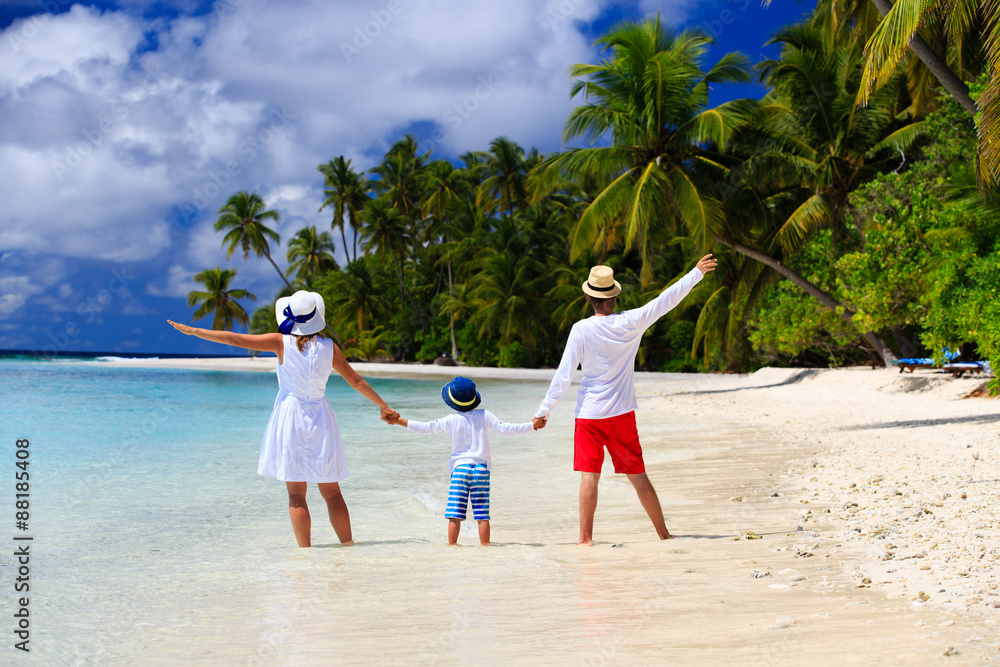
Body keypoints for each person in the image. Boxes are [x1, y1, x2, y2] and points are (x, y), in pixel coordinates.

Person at [167, 290, 398, 548]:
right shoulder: (329, 347)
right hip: (321, 417)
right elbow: (355, 380)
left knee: (297, 495)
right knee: (332, 492)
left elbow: (235, 339)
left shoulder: (280, 342)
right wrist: (383, 406)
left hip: (291, 417)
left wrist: (195, 331)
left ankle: (306, 553)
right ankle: (348, 546)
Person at [534, 255, 717, 544]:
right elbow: (666, 299)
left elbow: (564, 375)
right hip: (621, 415)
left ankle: (585, 540)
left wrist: (544, 411)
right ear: (615, 296)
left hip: (589, 417)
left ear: (587, 298)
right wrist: (696, 273)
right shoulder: (632, 321)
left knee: (589, 478)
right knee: (638, 476)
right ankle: (663, 533)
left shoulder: (580, 329)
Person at [387, 377, 545, 546]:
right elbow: (505, 428)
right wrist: (532, 425)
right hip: (481, 471)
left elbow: (426, 428)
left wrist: (398, 420)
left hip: (460, 470)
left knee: (455, 515)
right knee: (482, 516)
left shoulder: (451, 420)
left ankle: (452, 547)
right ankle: (485, 547)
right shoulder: (484, 415)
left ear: (452, 402)